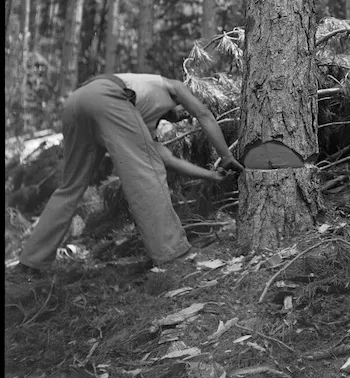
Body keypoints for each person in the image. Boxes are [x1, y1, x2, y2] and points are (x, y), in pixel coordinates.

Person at [18, 73, 244, 272]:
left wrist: (211, 176)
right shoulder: (173, 86)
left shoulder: (140, 120)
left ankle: (32, 259)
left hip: (76, 102)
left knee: (70, 187)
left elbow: (168, 160)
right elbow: (203, 114)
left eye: (187, 116)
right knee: (146, 177)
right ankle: (173, 254)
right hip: (107, 96)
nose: (185, 114)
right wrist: (226, 156)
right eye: (185, 110)